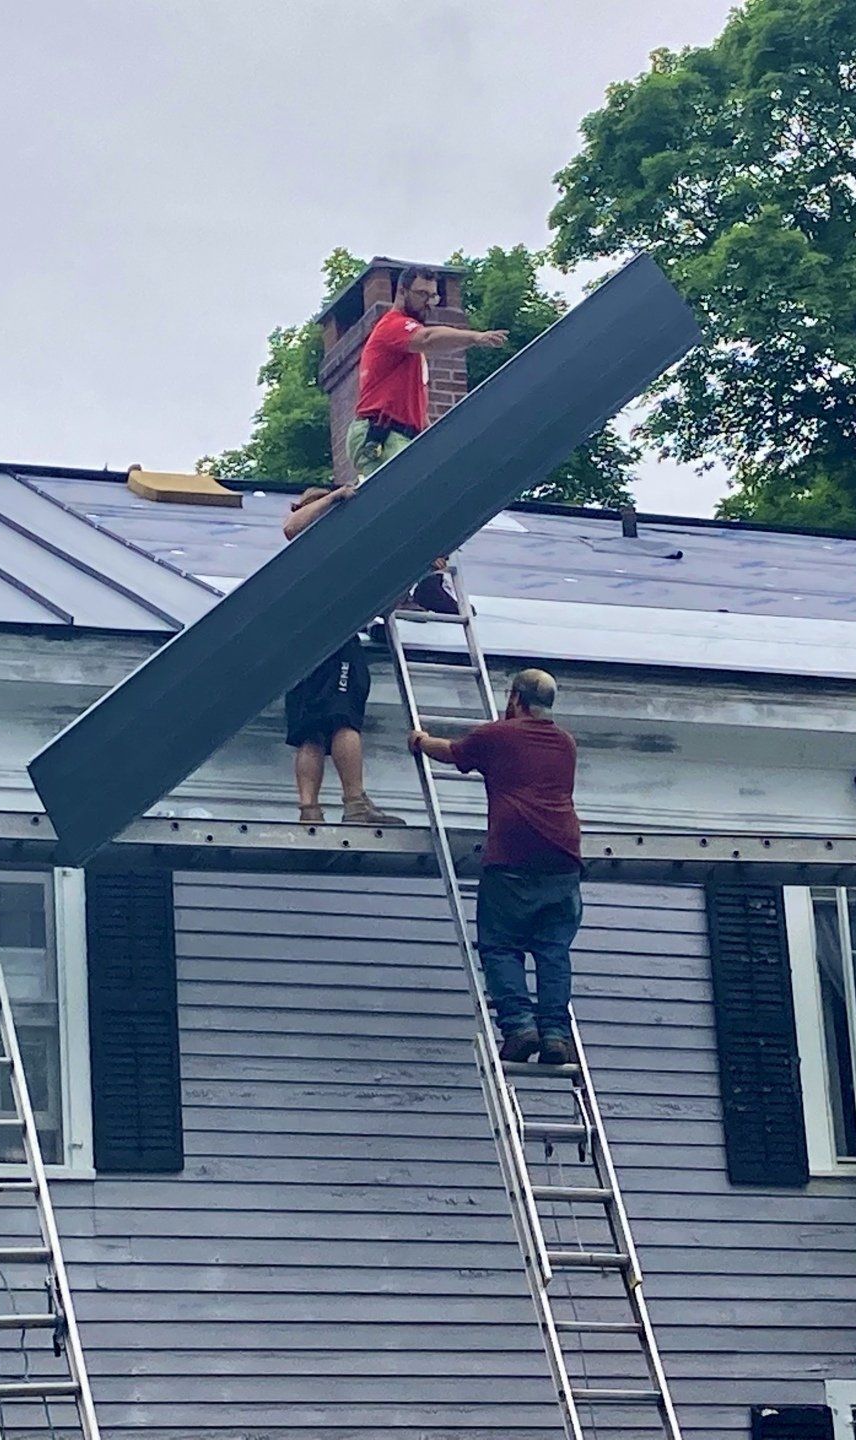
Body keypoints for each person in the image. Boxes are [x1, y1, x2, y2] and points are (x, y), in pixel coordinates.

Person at [409, 668, 582, 1065]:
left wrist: (420, 740)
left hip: (513, 857)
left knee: (501, 946)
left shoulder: (499, 735)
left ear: (516, 699)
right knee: (553, 950)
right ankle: (556, 1035)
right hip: (564, 858)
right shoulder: (566, 743)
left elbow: (452, 752)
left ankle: (520, 1027)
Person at [349, 266, 507, 612]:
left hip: (402, 435)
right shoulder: (394, 327)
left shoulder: (409, 352)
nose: (429, 302)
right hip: (380, 433)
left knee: (442, 500)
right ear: (402, 292)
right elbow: (427, 338)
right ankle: (395, 591)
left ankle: (427, 582)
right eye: (422, 294)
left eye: (433, 296)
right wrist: (474, 337)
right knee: (398, 511)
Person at [280, 485, 405, 827]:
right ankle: (354, 803)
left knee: (311, 732)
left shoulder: (319, 561)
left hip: (301, 647)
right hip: (334, 642)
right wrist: (334, 499)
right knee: (342, 718)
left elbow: (384, 605)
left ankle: (310, 811)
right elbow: (292, 527)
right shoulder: (316, 546)